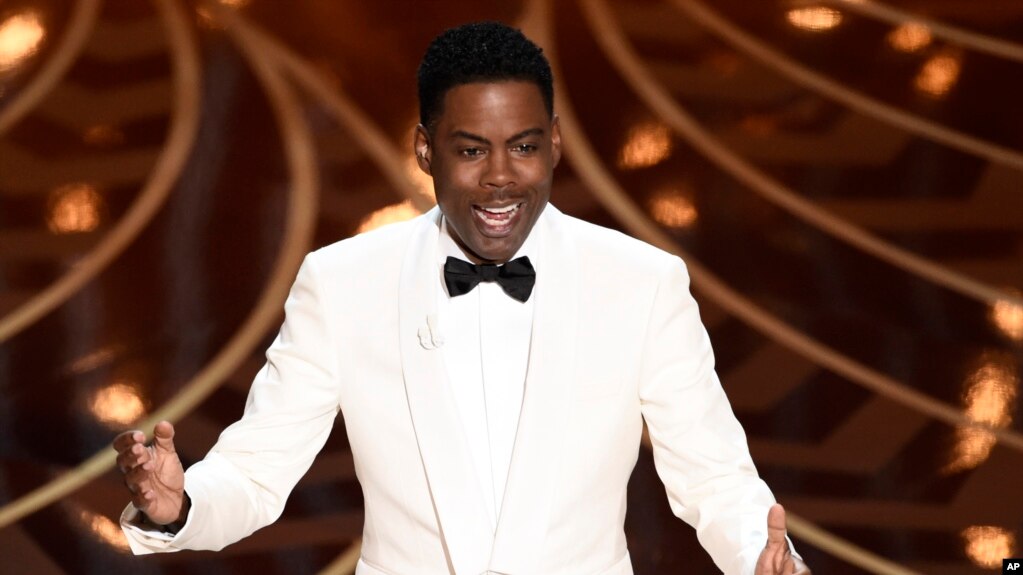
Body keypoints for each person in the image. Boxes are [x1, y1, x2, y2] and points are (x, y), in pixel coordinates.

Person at [113, 21, 810, 575]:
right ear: (424, 150)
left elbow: (713, 475)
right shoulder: (343, 282)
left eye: (525, 147)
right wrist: (181, 506)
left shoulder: (642, 282)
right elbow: (257, 471)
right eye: (471, 150)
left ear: (557, 145)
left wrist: (760, 553)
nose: (502, 178)